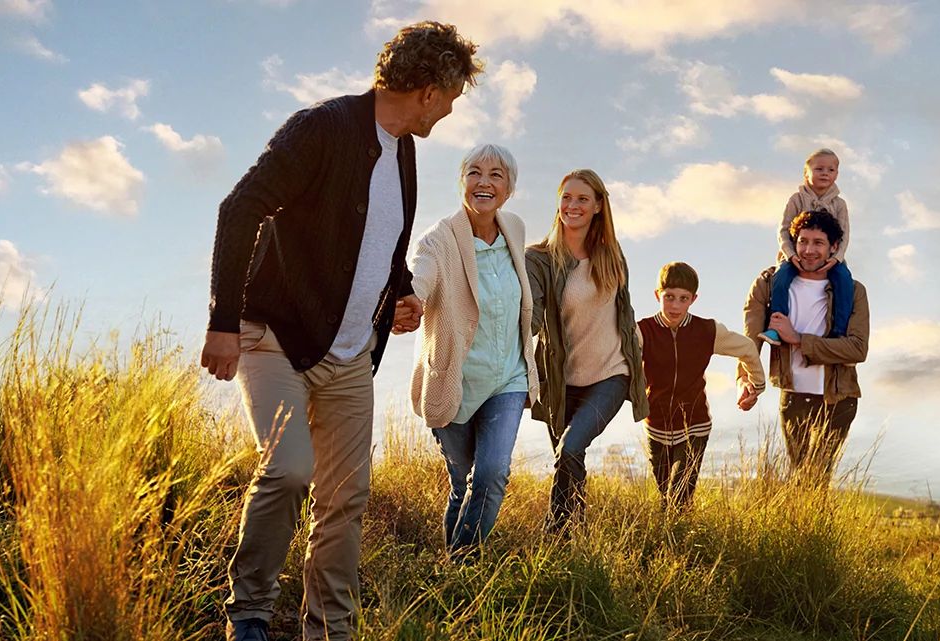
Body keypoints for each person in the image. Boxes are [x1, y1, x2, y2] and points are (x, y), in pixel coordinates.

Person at [200, 22, 483, 641]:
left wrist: (402, 292)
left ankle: (330, 629)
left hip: (351, 355)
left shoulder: (404, 151)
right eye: (454, 97)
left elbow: (384, 245)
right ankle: (248, 613)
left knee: (345, 497)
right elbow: (240, 207)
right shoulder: (322, 127)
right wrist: (223, 322)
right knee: (288, 471)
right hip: (276, 335)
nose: (453, 110)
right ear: (431, 90)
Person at [407, 143, 538, 560]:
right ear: (462, 181)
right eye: (475, 173)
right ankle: (452, 568)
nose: (485, 182)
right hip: (455, 379)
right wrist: (409, 301)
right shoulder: (439, 239)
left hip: (508, 378)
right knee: (462, 482)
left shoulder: (514, 229)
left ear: (509, 188)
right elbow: (420, 275)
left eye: (496, 174)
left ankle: (463, 564)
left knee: (493, 474)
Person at [525, 169, 648, 533]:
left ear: (598, 206)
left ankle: (556, 534)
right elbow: (530, 313)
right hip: (561, 381)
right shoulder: (540, 259)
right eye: (566, 197)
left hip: (610, 374)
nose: (572, 205)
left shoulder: (611, 255)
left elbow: (625, 313)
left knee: (571, 448)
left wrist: (640, 366)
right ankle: (575, 538)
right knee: (567, 458)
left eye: (582, 199)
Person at [743, 209, 869, 486]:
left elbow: (857, 349)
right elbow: (750, 337)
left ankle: (816, 527)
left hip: (838, 398)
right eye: (803, 241)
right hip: (793, 396)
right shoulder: (771, 283)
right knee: (800, 477)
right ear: (793, 243)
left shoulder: (853, 290)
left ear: (834, 247)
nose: (809, 250)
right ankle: (802, 528)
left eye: (818, 243)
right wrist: (746, 378)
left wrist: (798, 339)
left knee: (816, 478)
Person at [637, 261, 765, 510]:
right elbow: (625, 364)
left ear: (693, 299)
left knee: (680, 496)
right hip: (656, 425)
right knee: (666, 497)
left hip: (695, 425)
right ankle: (670, 544)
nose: (675, 305)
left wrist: (756, 386)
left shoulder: (706, 330)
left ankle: (679, 542)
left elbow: (748, 349)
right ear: (657, 295)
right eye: (669, 297)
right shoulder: (643, 331)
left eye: (683, 299)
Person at [759, 148, 854, 346]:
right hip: (796, 256)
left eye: (831, 169)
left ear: (837, 174)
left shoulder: (839, 204)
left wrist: (836, 258)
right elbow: (783, 230)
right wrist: (790, 254)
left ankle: (839, 333)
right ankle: (776, 327)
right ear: (806, 173)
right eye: (819, 169)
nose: (825, 173)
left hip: (830, 257)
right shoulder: (797, 199)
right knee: (781, 277)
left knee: (844, 280)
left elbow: (844, 235)